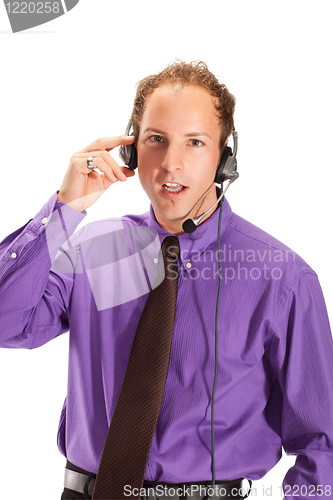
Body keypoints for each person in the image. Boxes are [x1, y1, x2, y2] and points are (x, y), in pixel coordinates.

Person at [0, 60, 332, 500]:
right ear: (133, 150)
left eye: (195, 142)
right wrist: (65, 208)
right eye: (156, 140)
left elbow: (322, 443)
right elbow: (7, 322)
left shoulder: (281, 277)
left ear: (224, 155)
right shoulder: (91, 251)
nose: (171, 164)